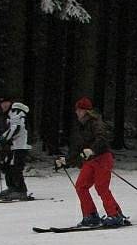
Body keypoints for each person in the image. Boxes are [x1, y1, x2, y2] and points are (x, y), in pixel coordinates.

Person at [55, 97, 129, 227]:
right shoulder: (81, 126)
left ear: (86, 111)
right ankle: (90, 215)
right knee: (81, 186)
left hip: (102, 158)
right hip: (90, 161)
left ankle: (114, 215)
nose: (76, 112)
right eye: (77, 110)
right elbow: (78, 148)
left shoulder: (96, 123)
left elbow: (102, 139)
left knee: (101, 187)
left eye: (79, 110)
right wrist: (66, 160)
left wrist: (92, 150)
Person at [0, 96, 31, 200]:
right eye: (1, 103)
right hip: (13, 146)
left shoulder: (16, 111)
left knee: (16, 167)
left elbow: (16, 128)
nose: (3, 105)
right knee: (7, 166)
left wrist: (3, 138)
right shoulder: (9, 114)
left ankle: (20, 190)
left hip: (20, 146)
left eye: (6, 103)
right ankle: (12, 187)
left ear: (10, 103)